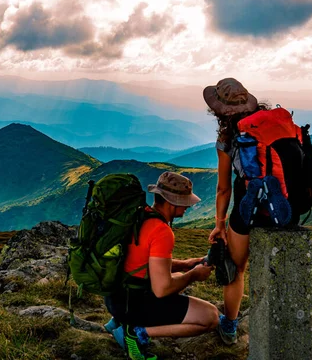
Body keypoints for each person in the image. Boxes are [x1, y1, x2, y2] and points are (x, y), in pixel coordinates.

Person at [104, 171, 219, 360]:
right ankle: (136, 332)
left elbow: (143, 264)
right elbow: (162, 290)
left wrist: (185, 265)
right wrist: (193, 275)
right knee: (211, 317)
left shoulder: (140, 216)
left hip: (116, 298)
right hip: (133, 303)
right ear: (173, 202)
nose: (188, 206)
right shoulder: (162, 231)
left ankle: (118, 321)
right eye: (185, 201)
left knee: (172, 279)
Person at [203, 77, 271, 344]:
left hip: (248, 208)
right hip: (284, 209)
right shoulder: (271, 123)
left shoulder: (228, 137)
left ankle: (230, 325)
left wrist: (220, 223)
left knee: (237, 269)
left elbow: (224, 188)